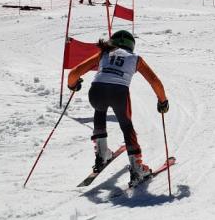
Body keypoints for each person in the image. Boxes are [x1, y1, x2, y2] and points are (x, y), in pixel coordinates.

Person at [67, 30, 168, 185]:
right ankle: (137, 167)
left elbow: (74, 73)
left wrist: (73, 85)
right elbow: (154, 81)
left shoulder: (104, 54)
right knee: (126, 126)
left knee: (99, 110)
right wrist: (162, 101)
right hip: (119, 93)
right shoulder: (135, 58)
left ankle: (102, 153)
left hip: (96, 91)